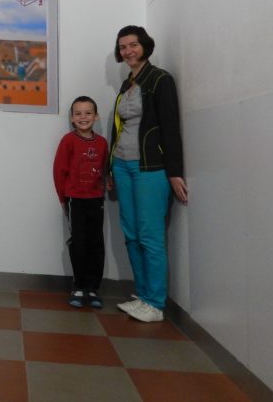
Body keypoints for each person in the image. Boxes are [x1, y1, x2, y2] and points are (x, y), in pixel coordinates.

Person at [108, 25, 188, 323]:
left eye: (133, 45)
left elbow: (170, 127)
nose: (128, 51)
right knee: (131, 234)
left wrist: (175, 172)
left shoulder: (160, 79)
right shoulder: (127, 83)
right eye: (123, 47)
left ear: (144, 45)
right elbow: (118, 128)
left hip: (150, 168)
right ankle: (142, 295)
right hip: (122, 165)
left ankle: (154, 303)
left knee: (150, 235)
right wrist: (110, 167)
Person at [53, 96, 108, 309]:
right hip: (75, 200)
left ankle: (92, 288)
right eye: (78, 113)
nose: (83, 117)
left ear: (96, 116)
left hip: (96, 200)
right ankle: (78, 286)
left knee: (96, 243)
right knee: (79, 243)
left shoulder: (102, 143)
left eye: (88, 113)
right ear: (72, 118)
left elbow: (105, 169)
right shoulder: (68, 141)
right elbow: (59, 171)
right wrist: (63, 199)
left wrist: (108, 183)